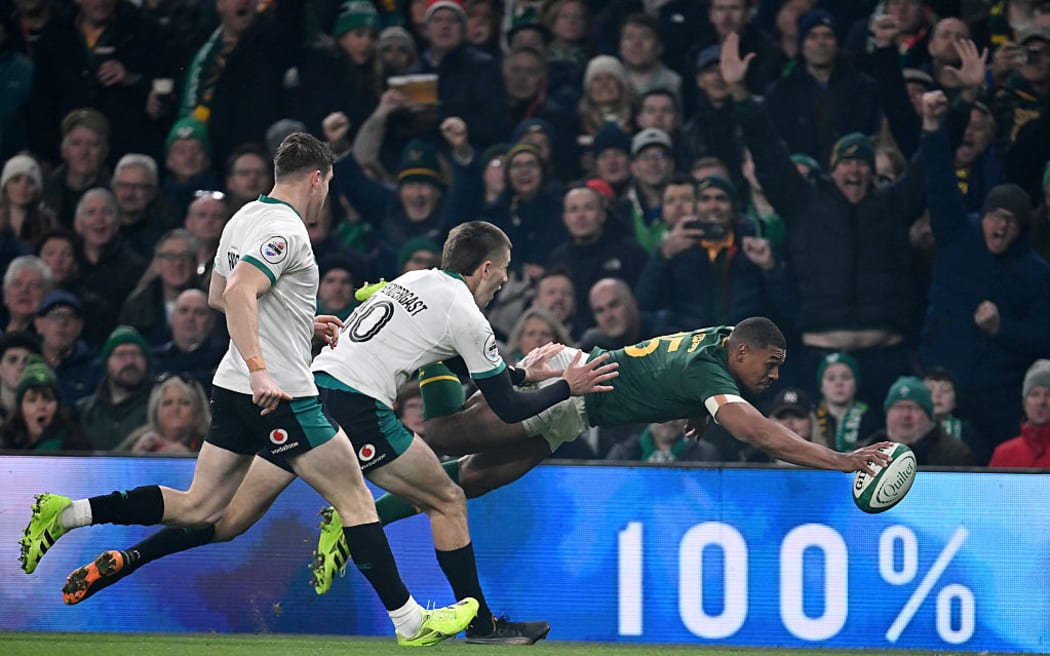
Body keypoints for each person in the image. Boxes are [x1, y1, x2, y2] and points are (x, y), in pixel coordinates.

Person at [58, 220, 617, 645]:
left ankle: (127, 559)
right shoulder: (465, 313)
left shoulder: (414, 280)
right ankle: (479, 625)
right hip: (354, 407)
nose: (505, 281)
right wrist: (566, 385)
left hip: (307, 393)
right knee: (446, 498)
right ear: (487, 268)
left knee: (224, 520)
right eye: (505, 270)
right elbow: (509, 411)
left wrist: (522, 373)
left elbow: (466, 369)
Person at [23, 134, 480, 647]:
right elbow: (239, 291)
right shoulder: (287, 230)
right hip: (280, 393)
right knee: (356, 501)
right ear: (317, 178)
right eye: (329, 183)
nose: (327, 193)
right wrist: (263, 368)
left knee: (199, 507)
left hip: (231, 385)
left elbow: (218, 294)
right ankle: (409, 622)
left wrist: (298, 323)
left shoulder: (244, 217)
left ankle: (69, 512)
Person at [303, 317, 895, 597]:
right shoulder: (711, 370)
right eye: (770, 363)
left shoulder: (720, 345)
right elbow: (764, 436)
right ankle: (432, 350)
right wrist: (843, 460)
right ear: (742, 352)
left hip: (577, 411)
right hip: (571, 384)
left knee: (471, 482)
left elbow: (681, 371)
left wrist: (699, 407)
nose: (775, 374)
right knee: (441, 433)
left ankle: (352, 520)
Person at [918, 89, 1050, 449]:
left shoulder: (1038, 275)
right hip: (941, 385)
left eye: (1011, 221)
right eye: (995, 216)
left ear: (1022, 228)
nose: (1001, 226)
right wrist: (932, 129)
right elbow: (940, 184)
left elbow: (1043, 338)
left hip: (999, 401)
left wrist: (1001, 328)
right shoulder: (958, 236)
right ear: (984, 216)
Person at [862, 376, 976, 466]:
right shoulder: (867, 452)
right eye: (898, 407)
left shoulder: (955, 454)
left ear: (929, 415)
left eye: (914, 408)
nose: (906, 415)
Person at [75, 325, 153, 451]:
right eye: (121, 354)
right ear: (107, 363)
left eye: (136, 354)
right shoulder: (84, 412)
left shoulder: (158, 409)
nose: (130, 361)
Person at [0, 358, 89, 452]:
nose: (41, 406)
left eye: (48, 399)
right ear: (20, 408)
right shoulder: (6, 441)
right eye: (32, 400)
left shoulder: (75, 444)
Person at [116, 373, 211, 454]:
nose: (175, 409)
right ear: (155, 410)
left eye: (184, 403)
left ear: (197, 409)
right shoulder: (137, 440)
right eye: (167, 403)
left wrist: (188, 458)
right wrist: (135, 456)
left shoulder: (211, 443)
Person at [989, 359, 1050, 467]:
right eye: (1034, 394)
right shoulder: (1003, 454)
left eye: (1048, 394)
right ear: (1024, 402)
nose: (1041, 401)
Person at [606, 418, 719, 463]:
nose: (670, 421)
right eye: (664, 414)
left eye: (677, 414)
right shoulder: (622, 454)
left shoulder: (706, 454)